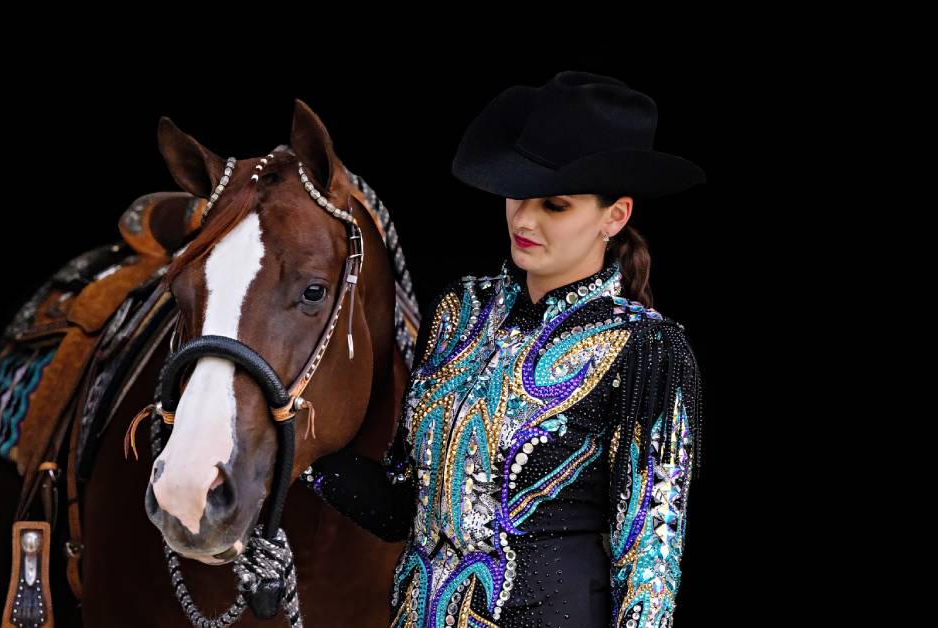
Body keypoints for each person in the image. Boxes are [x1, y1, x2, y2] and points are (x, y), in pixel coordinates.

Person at [299, 70, 706, 628]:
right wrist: (293, 446)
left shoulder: (648, 348)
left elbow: (650, 566)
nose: (523, 218)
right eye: (518, 193)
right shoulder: (458, 314)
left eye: (555, 206)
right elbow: (402, 507)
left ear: (616, 215)